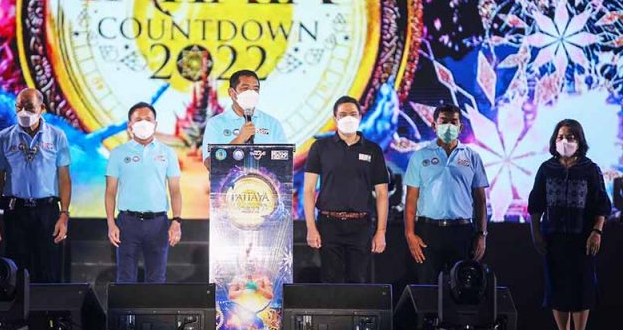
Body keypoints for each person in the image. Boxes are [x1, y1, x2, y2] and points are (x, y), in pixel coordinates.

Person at [528, 119, 611, 330]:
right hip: (553, 238)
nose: (565, 141)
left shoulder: (590, 169)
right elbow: (535, 204)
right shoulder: (546, 168)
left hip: (582, 239)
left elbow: (601, 205)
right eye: (561, 137)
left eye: (571, 137)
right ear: (554, 140)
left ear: (580, 140)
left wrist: (597, 231)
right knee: (557, 288)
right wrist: (536, 233)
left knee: (582, 288)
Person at [0, 88, 72, 283]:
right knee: (16, 271)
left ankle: (47, 305)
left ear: (42, 108)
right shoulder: (4, 137)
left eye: (30, 107)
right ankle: (19, 304)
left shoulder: (57, 136)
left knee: (48, 270)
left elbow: (64, 178)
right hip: (16, 212)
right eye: (19, 107)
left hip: (47, 211)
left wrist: (64, 215)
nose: (24, 112)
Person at [303, 95, 389, 283]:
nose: (348, 118)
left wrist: (381, 231)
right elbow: (308, 190)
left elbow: (382, 193)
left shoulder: (373, 150)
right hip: (328, 224)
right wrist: (311, 227)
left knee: (358, 282)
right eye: (343, 114)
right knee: (330, 281)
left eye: (353, 114)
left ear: (360, 117)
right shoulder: (320, 147)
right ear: (335, 118)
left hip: (361, 226)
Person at [403, 104, 489, 284]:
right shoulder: (420, 156)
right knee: (427, 287)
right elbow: (411, 198)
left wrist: (481, 234)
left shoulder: (472, 156)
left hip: (462, 232)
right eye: (443, 121)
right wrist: (410, 234)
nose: (448, 126)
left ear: (460, 127)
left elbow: (480, 200)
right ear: (434, 125)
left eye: (453, 122)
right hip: (428, 232)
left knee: (461, 287)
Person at [105, 102, 182, 283]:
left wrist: (177, 221)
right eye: (138, 119)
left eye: (148, 119)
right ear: (130, 125)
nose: (144, 123)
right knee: (125, 278)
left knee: (157, 279)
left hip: (158, 223)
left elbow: (175, 190)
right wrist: (111, 223)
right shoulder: (118, 153)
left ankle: (153, 305)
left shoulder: (168, 153)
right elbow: (110, 191)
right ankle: (125, 305)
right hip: (127, 223)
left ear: (155, 124)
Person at [202, 69, 286, 170]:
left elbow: (285, 161)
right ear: (232, 93)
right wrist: (240, 139)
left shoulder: (272, 124)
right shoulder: (215, 124)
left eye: (255, 89)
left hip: (264, 179)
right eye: (245, 88)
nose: (251, 93)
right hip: (230, 180)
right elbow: (209, 163)